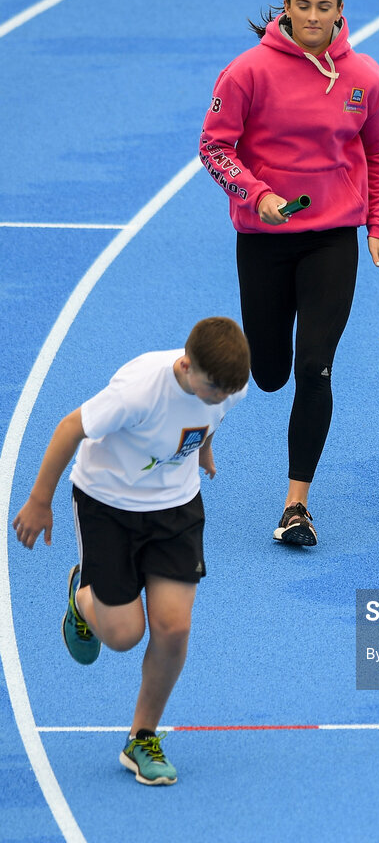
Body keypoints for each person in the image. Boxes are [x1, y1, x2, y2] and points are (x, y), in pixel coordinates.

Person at [199, 0, 379, 548]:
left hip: (332, 240)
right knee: (267, 373)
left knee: (314, 365)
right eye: (303, 6)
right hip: (263, 241)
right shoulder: (247, 73)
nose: (314, 16)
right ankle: (258, 376)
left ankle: (296, 506)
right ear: (286, 10)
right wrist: (256, 195)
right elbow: (214, 148)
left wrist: (378, 229)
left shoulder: (366, 78)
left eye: (325, 7)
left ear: (340, 12)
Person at [13, 318, 250, 785]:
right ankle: (83, 599)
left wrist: (201, 449)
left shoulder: (229, 386)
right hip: (108, 506)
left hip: (175, 508)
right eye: (214, 389)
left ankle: (142, 737)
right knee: (123, 636)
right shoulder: (138, 390)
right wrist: (40, 500)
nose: (222, 397)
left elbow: (210, 417)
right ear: (186, 366)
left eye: (228, 392)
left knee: (174, 628)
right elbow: (69, 429)